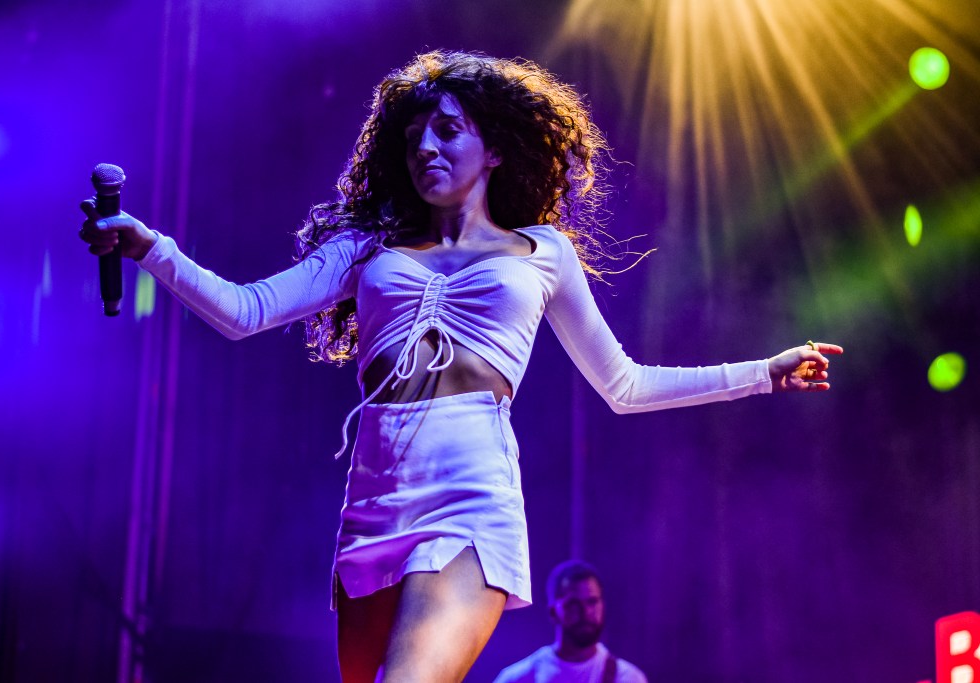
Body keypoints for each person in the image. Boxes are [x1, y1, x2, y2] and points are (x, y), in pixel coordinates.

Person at [78, 50, 843, 683]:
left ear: (496, 148)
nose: (425, 149)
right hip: (371, 513)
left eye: (447, 130)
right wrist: (148, 245)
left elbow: (625, 384)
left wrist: (762, 372)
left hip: (471, 505)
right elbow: (244, 311)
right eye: (414, 136)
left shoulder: (542, 253)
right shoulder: (365, 248)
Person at [493, 560, 647, 683]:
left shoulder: (628, 678)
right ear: (553, 612)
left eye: (592, 602)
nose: (586, 611)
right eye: (573, 604)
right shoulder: (519, 678)